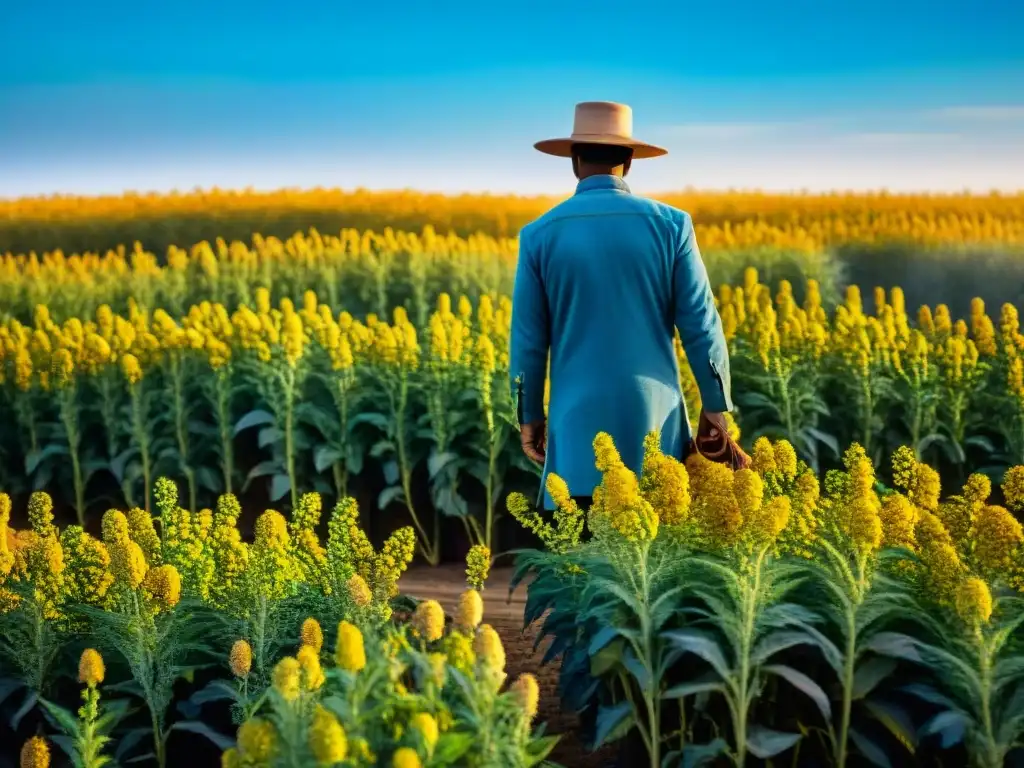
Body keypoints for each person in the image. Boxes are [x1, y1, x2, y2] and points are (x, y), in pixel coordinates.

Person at [509, 101, 749, 512]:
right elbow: (701, 323)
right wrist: (715, 406)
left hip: (575, 440)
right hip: (654, 433)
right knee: (650, 569)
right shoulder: (672, 225)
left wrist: (528, 416)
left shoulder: (539, 235)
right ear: (630, 162)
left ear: (574, 160)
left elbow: (529, 341)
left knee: (576, 564)